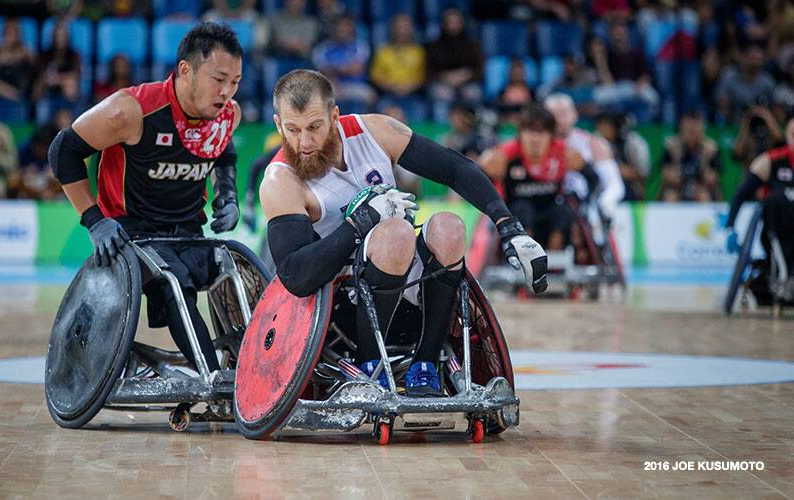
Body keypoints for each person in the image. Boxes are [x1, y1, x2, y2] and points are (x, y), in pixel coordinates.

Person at [259, 69, 547, 396]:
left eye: (315, 127)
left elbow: (454, 168)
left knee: (449, 227)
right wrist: (361, 223)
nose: (305, 142)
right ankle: (372, 365)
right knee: (394, 234)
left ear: (335, 116)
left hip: (413, 293)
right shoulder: (280, 180)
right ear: (279, 124)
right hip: (342, 312)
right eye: (293, 130)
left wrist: (509, 226)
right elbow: (296, 276)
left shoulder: (374, 131)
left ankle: (425, 364)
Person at [49, 22, 244, 374]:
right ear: (186, 70)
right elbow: (62, 151)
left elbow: (225, 153)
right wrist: (94, 221)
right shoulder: (131, 111)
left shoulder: (227, 114)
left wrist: (228, 195)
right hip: (132, 233)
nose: (227, 92)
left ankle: (247, 367)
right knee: (174, 285)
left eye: (235, 82)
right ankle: (215, 378)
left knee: (239, 274)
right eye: (219, 79)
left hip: (187, 229)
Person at [479, 103, 591, 251]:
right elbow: (478, 184)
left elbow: (593, 178)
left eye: (541, 132)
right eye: (530, 131)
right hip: (516, 220)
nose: (535, 139)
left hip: (550, 216)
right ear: (520, 133)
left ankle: (554, 261)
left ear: (551, 135)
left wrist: (584, 204)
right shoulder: (503, 156)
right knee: (523, 209)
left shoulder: (565, 154)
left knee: (563, 210)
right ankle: (527, 256)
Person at [726, 116, 794, 294]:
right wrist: (730, 227)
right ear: (787, 136)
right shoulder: (769, 161)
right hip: (778, 229)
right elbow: (740, 195)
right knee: (775, 200)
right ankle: (781, 277)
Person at [544, 93, 624, 221]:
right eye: (554, 115)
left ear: (575, 115)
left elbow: (615, 185)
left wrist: (603, 204)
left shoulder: (594, 143)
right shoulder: (535, 145)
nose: (559, 120)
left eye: (564, 114)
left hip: (583, 208)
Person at [658, 110, 723, 202]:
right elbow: (666, 174)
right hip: (677, 188)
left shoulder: (711, 148)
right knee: (670, 196)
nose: (692, 130)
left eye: (695, 127)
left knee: (704, 197)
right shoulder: (671, 145)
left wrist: (703, 161)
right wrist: (678, 161)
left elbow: (713, 177)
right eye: (688, 128)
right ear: (681, 127)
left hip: (701, 187)